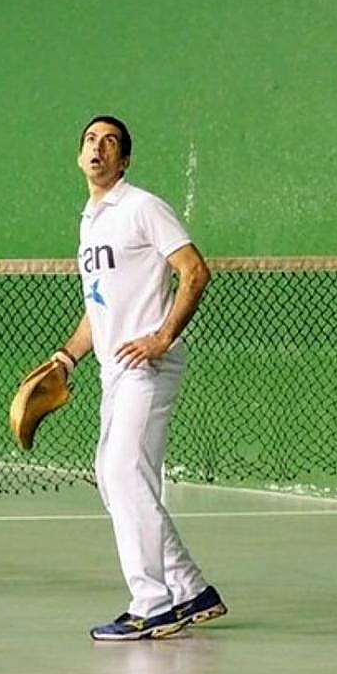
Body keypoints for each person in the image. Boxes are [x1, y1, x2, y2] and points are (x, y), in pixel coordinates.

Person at [53, 115, 226, 641]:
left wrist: (162, 337)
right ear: (80, 156)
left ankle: (153, 605)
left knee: (125, 474)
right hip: (114, 368)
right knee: (116, 477)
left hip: (147, 366)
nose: (97, 148)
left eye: (109, 142)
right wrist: (66, 356)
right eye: (89, 140)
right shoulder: (91, 221)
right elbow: (98, 306)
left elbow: (195, 270)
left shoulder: (143, 207)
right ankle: (190, 590)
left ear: (124, 160)